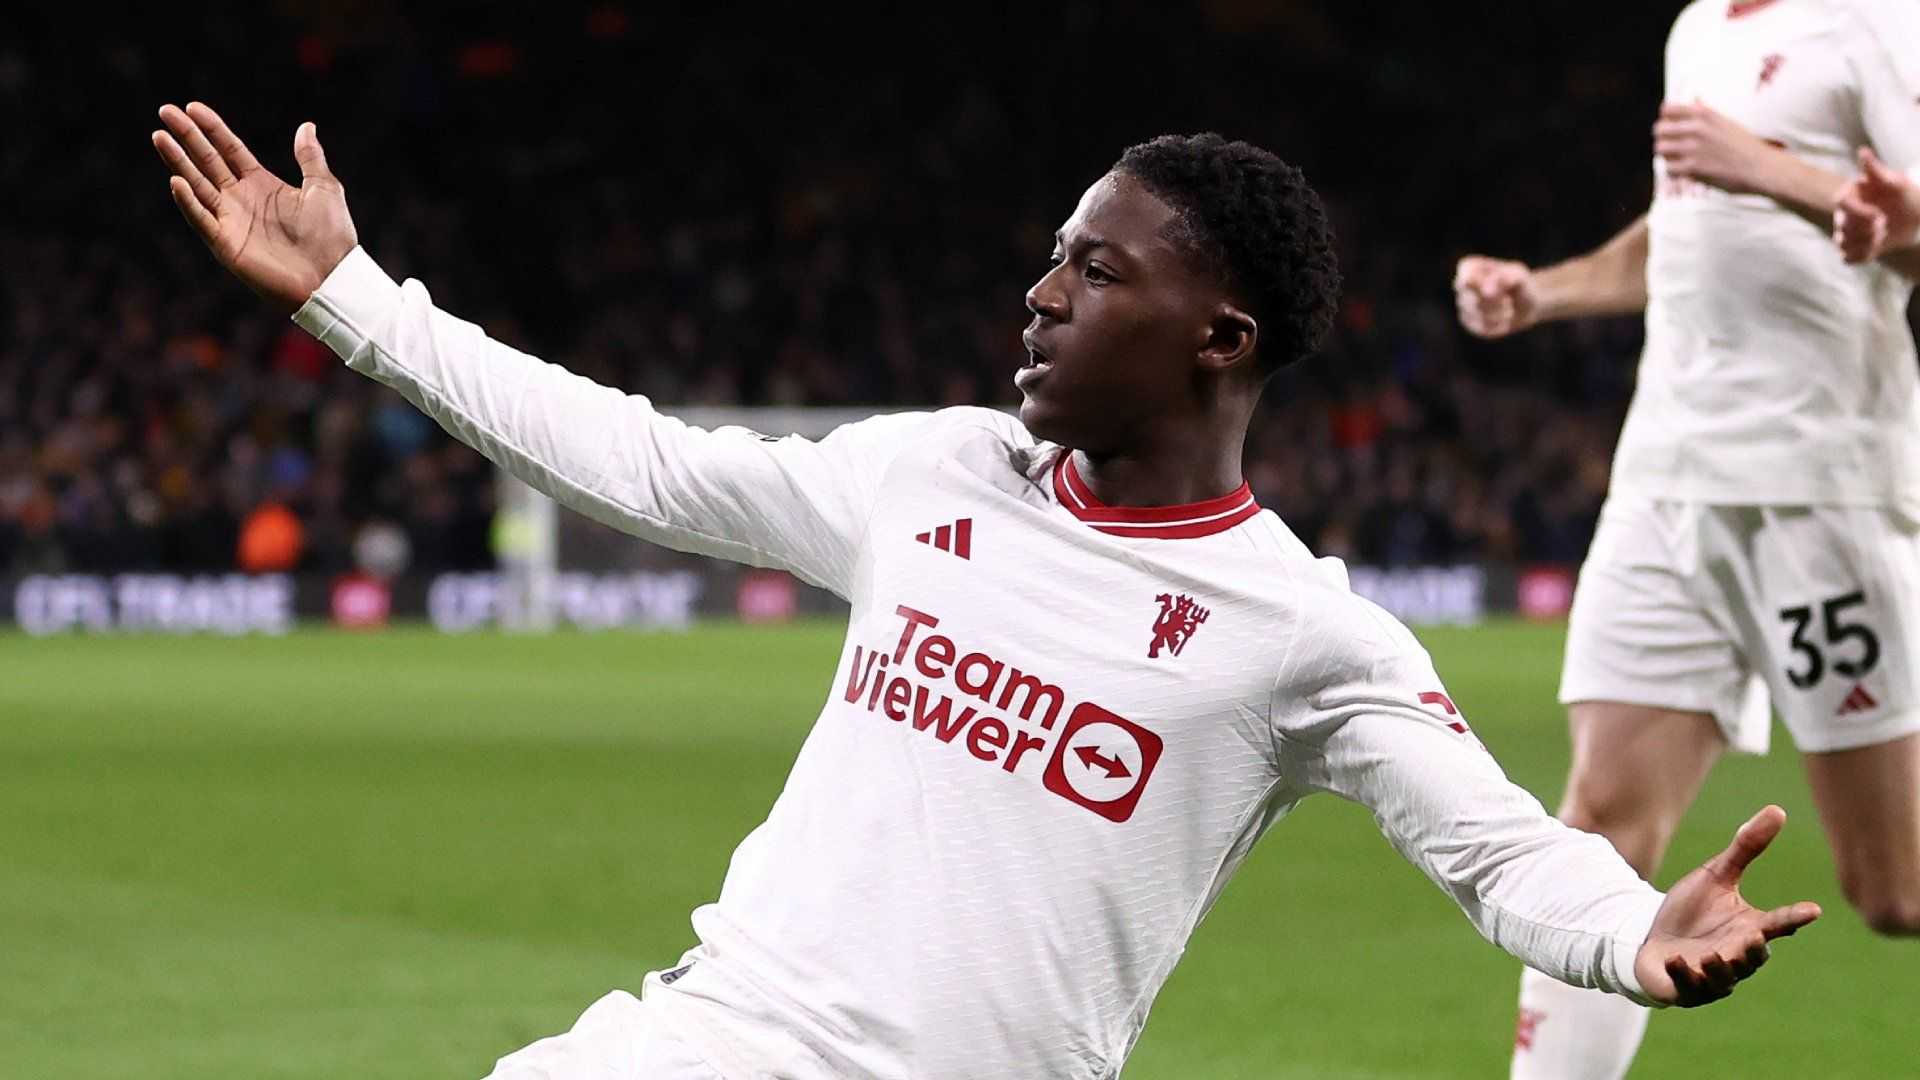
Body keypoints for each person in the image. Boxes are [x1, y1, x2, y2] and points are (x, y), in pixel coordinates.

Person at [153, 102, 1818, 1080]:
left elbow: (1497, 847)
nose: (1041, 293)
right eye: (1054, 256)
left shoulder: (1300, 631)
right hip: (714, 1040)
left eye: (1097, 270)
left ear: (1220, 338)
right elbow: (644, 463)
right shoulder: (937, 472)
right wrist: (354, 298)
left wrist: (1629, 932)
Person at [1453, 2, 1920, 1078]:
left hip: (1816, 493)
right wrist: (1543, 293)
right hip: (1664, 488)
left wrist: (1776, 171)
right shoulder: (1701, 24)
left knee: (1893, 890)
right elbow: (1685, 227)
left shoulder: (1876, 23)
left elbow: (1893, 218)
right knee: (1596, 839)